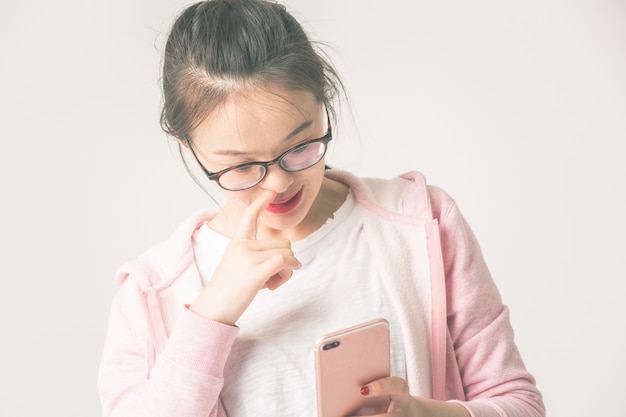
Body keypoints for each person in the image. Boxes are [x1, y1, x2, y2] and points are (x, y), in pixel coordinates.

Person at [97, 0, 545, 416]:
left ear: (323, 105)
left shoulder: (423, 223)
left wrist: (432, 414)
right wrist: (212, 313)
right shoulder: (150, 294)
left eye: (300, 145)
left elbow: (519, 403)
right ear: (189, 146)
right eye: (242, 166)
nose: (279, 183)